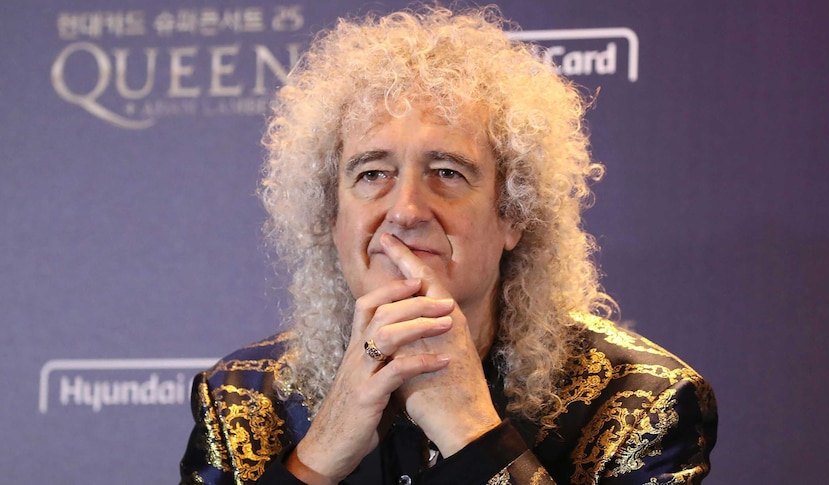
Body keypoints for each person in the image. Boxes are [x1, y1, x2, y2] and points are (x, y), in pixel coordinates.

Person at [179, 6, 717, 485]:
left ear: (513, 215)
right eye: (372, 173)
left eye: (446, 172)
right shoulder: (240, 400)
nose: (407, 210)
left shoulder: (642, 402)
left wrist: (473, 432)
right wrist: (320, 454)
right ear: (332, 216)